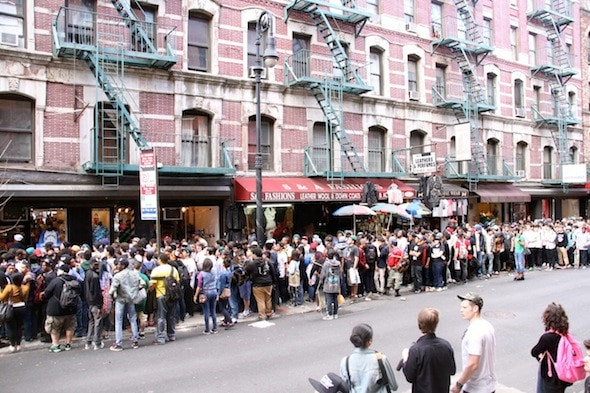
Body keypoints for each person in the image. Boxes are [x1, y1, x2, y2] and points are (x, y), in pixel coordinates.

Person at [401, 307, 456, 392]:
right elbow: (452, 370)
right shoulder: (446, 345)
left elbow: (409, 376)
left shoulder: (415, 350)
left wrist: (405, 359)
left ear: (419, 324)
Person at [451, 292, 496, 393]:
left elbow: (473, 364)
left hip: (476, 388)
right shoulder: (487, 326)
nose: (461, 310)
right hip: (489, 385)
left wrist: (459, 384)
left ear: (475, 309)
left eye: (465, 307)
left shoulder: (474, 332)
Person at [340, 323, 398, 392]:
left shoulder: (345, 362)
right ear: (369, 341)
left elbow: (345, 388)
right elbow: (394, 386)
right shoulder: (380, 359)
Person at [530, 302, 573, 392]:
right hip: (563, 377)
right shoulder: (565, 334)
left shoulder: (547, 337)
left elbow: (534, 352)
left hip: (551, 378)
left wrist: (540, 357)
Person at [42, 264, 79, 353]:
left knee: (54, 328)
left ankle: (55, 345)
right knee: (70, 326)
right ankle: (68, 344)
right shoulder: (75, 281)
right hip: (71, 308)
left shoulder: (56, 281)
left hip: (56, 309)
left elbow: (47, 293)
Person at [109, 257, 142, 351]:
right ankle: (135, 340)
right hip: (131, 298)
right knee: (132, 318)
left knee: (118, 321)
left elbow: (112, 290)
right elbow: (142, 284)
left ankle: (119, 343)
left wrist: (112, 296)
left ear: (122, 266)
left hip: (120, 298)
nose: (117, 266)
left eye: (119, 264)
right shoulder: (135, 274)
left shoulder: (118, 276)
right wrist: (135, 291)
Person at [149, 253, 180, 345]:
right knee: (171, 316)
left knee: (161, 316)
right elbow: (177, 281)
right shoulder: (173, 269)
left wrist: (150, 291)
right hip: (172, 295)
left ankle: (160, 337)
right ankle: (171, 334)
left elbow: (151, 285)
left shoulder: (156, 270)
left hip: (161, 295)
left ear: (159, 260)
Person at [0, 272, 31, 352]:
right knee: (19, 327)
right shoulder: (25, 288)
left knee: (10, 327)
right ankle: (18, 344)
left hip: (11, 308)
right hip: (22, 307)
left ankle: (12, 345)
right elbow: (26, 299)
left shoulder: (9, 287)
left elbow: (1, 297)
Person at [245, 246, 276, 321]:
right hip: (268, 282)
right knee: (268, 299)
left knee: (260, 300)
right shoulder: (267, 261)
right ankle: (269, 313)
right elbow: (273, 271)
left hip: (257, 284)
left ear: (254, 254)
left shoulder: (252, 264)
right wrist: (273, 282)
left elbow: (246, 272)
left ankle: (262, 315)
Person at [83, 256, 104, 350]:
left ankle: (88, 341)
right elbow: (97, 292)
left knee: (91, 322)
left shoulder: (87, 274)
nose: (97, 266)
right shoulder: (95, 277)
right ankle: (97, 342)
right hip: (95, 302)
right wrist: (100, 305)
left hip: (89, 302)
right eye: (96, 264)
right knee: (97, 322)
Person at [194, 257, 219, 334]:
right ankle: (215, 328)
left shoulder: (202, 274)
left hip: (205, 292)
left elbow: (199, 286)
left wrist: (195, 295)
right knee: (213, 311)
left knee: (206, 311)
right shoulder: (214, 272)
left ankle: (207, 329)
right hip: (214, 291)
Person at [319, 250, 342, 321]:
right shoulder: (338, 263)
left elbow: (323, 274)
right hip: (336, 282)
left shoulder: (326, 264)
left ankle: (330, 314)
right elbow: (340, 272)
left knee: (328, 299)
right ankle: (335, 313)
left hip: (328, 283)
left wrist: (320, 281)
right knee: (335, 298)